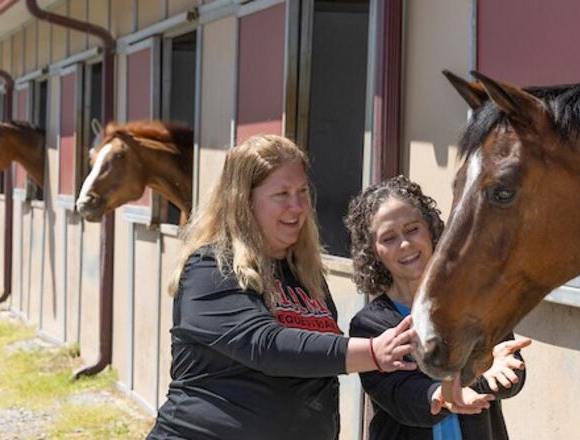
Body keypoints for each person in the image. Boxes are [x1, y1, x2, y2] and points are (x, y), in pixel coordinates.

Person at [147, 135, 418, 440]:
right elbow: (266, 345)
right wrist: (371, 351)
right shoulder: (210, 267)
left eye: (303, 191)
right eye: (282, 194)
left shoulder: (303, 273)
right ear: (244, 200)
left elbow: (314, 362)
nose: (298, 205)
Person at [345, 175, 531, 440]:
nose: (405, 244)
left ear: (431, 229)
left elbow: (510, 380)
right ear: (372, 251)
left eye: (412, 229)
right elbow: (403, 396)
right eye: (389, 238)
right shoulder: (369, 326)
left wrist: (500, 371)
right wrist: (472, 376)